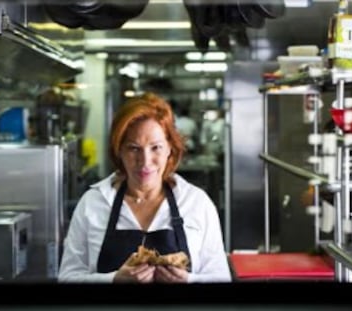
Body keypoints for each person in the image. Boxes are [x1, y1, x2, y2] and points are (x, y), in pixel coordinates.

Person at [58, 92, 232, 283]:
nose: (145, 162)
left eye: (155, 147)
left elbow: (221, 277)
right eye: (133, 148)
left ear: (169, 149)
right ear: (119, 151)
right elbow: (67, 278)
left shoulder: (197, 203)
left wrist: (189, 281)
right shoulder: (92, 203)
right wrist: (113, 280)